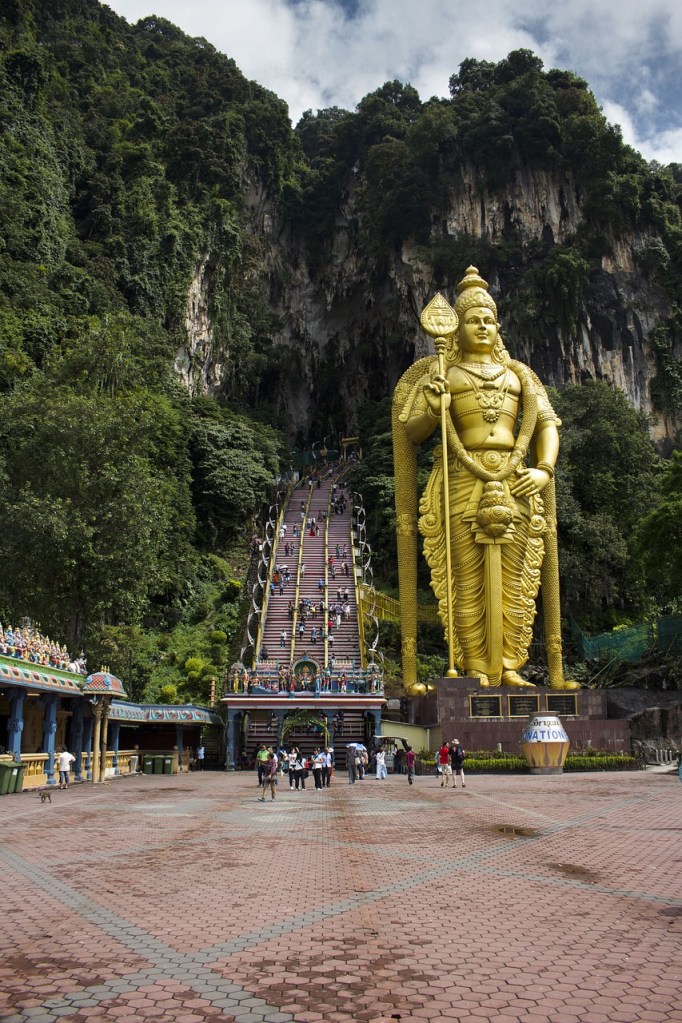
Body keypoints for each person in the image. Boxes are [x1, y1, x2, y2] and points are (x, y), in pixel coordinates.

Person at [394, 267, 579, 691]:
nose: (482, 326)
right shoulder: (444, 374)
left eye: (488, 319)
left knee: (518, 577)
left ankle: (511, 665)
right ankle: (475, 665)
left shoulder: (520, 376)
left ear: (498, 327)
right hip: (461, 479)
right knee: (465, 578)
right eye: (473, 319)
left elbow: (547, 424)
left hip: (516, 479)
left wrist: (543, 468)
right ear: (456, 328)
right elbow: (412, 431)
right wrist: (433, 405)